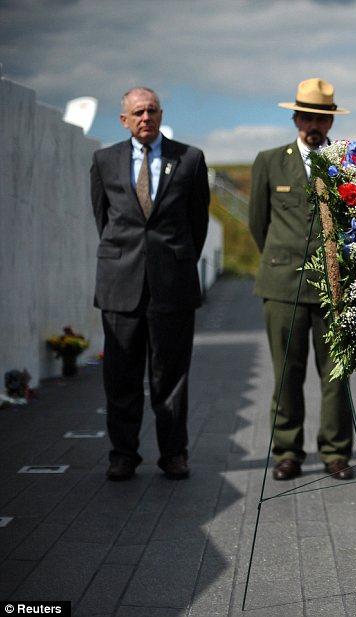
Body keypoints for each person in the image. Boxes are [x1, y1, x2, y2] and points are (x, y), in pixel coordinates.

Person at [90, 87, 209, 481]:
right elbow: (102, 219)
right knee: (121, 375)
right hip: (120, 284)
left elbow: (198, 224)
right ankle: (123, 455)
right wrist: (127, 258)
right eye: (137, 112)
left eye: (152, 110)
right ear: (123, 120)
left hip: (172, 286)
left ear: (160, 114)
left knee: (170, 377)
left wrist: (172, 260)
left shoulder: (189, 159)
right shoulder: (104, 161)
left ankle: (173, 454)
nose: (146, 117)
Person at [248, 78, 355, 481]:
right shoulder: (269, 161)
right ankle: (288, 451)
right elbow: (258, 223)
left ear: (330, 123)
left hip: (336, 290)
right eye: (308, 115)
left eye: (322, 117)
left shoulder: (346, 163)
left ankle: (335, 453)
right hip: (282, 287)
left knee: (336, 373)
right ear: (295, 117)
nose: (315, 123)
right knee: (287, 374)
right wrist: (281, 262)